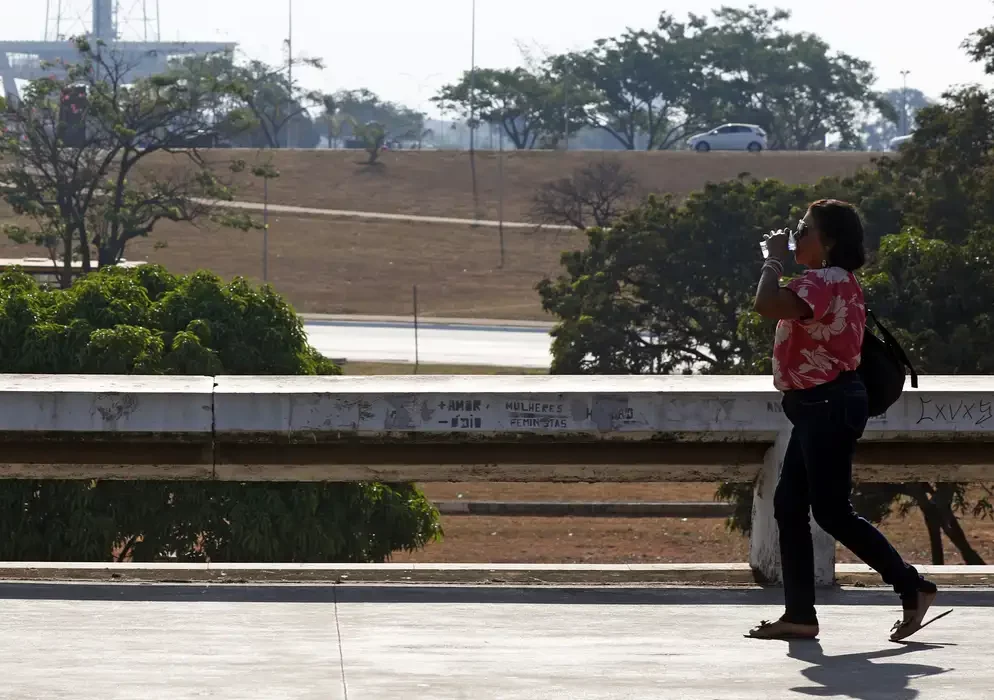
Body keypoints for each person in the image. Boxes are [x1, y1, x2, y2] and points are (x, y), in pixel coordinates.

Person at [746, 199, 937, 642]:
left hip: (826, 405)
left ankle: (912, 585)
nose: (797, 234)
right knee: (790, 506)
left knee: (830, 511)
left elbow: (765, 304)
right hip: (821, 405)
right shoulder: (836, 280)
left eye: (805, 229)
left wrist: (772, 258)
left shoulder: (823, 281)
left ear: (828, 241)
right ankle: (799, 615)